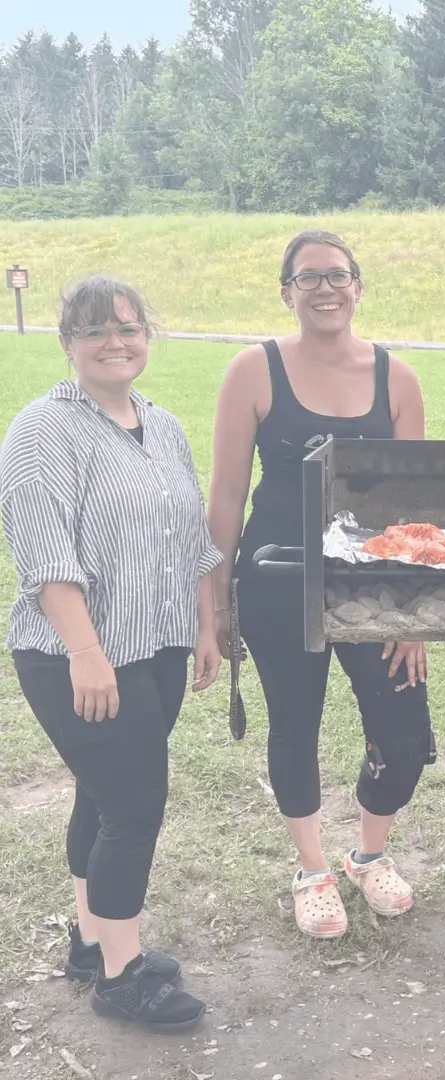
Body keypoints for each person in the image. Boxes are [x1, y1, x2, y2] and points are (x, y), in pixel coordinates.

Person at [0, 277, 221, 1033]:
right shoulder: (43, 429)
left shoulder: (162, 425)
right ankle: (122, 979)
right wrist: (86, 654)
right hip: (79, 654)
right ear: (68, 343)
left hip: (156, 644)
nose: (115, 342)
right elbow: (45, 555)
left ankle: (93, 942)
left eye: (128, 327)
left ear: (145, 338)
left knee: (100, 794)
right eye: (95, 330)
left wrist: (206, 626)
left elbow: (191, 537)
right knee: (133, 805)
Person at [208, 230, 433, 939]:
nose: (325, 288)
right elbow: (225, 496)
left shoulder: (397, 379)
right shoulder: (254, 370)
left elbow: (413, 507)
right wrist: (215, 599)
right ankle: (312, 871)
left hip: (374, 585)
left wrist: (412, 613)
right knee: (294, 722)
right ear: (287, 293)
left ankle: (370, 855)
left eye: (337, 275)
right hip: (278, 579)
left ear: (358, 287)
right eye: (308, 278)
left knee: (403, 727)